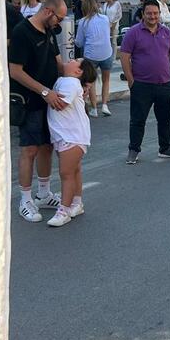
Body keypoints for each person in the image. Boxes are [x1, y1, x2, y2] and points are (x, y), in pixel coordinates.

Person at [8, 0, 68, 223]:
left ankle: (44, 193)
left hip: (49, 100)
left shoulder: (49, 31)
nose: (59, 24)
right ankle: (24, 199)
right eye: (59, 18)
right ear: (48, 11)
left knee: (47, 147)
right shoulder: (22, 32)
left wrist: (76, 80)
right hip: (29, 101)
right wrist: (44, 92)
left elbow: (58, 62)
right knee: (29, 149)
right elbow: (15, 71)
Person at [120, 0, 170, 164]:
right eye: (149, 13)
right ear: (143, 14)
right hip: (141, 85)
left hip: (165, 84)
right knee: (138, 120)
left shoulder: (166, 32)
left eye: (156, 13)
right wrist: (131, 80)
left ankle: (165, 148)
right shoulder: (133, 32)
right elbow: (124, 57)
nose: (153, 16)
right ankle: (134, 150)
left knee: (166, 119)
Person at [45, 57, 98, 227]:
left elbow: (59, 104)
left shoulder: (71, 83)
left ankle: (63, 211)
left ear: (78, 71)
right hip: (67, 135)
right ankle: (76, 203)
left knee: (66, 173)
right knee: (74, 171)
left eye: (75, 60)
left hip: (71, 136)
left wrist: (44, 93)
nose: (71, 59)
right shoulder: (65, 80)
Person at [74, 0, 113, 117]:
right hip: (106, 52)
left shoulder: (83, 22)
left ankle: (94, 108)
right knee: (106, 80)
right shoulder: (105, 18)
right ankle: (105, 105)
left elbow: (79, 42)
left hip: (91, 54)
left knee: (91, 82)